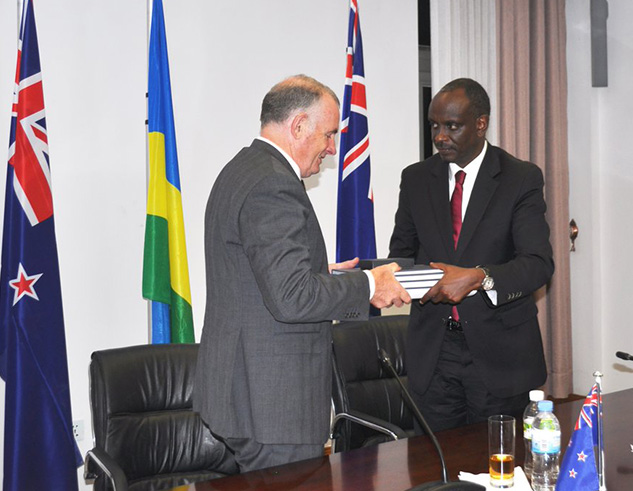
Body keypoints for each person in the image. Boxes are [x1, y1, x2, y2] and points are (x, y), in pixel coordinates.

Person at [193, 75, 410, 472]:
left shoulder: (242, 169)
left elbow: (252, 270)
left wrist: (318, 270)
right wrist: (368, 285)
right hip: (272, 407)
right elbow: (291, 297)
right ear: (297, 126)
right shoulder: (274, 184)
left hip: (244, 394)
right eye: (328, 135)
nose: (331, 148)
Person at [388, 78, 554, 432]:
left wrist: (480, 277)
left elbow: (538, 264)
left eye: (452, 126)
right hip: (434, 351)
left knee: (498, 469)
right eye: (434, 125)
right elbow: (401, 256)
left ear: (481, 123)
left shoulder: (520, 178)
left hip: (500, 354)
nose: (440, 136)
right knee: (435, 473)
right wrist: (418, 282)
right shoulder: (416, 179)